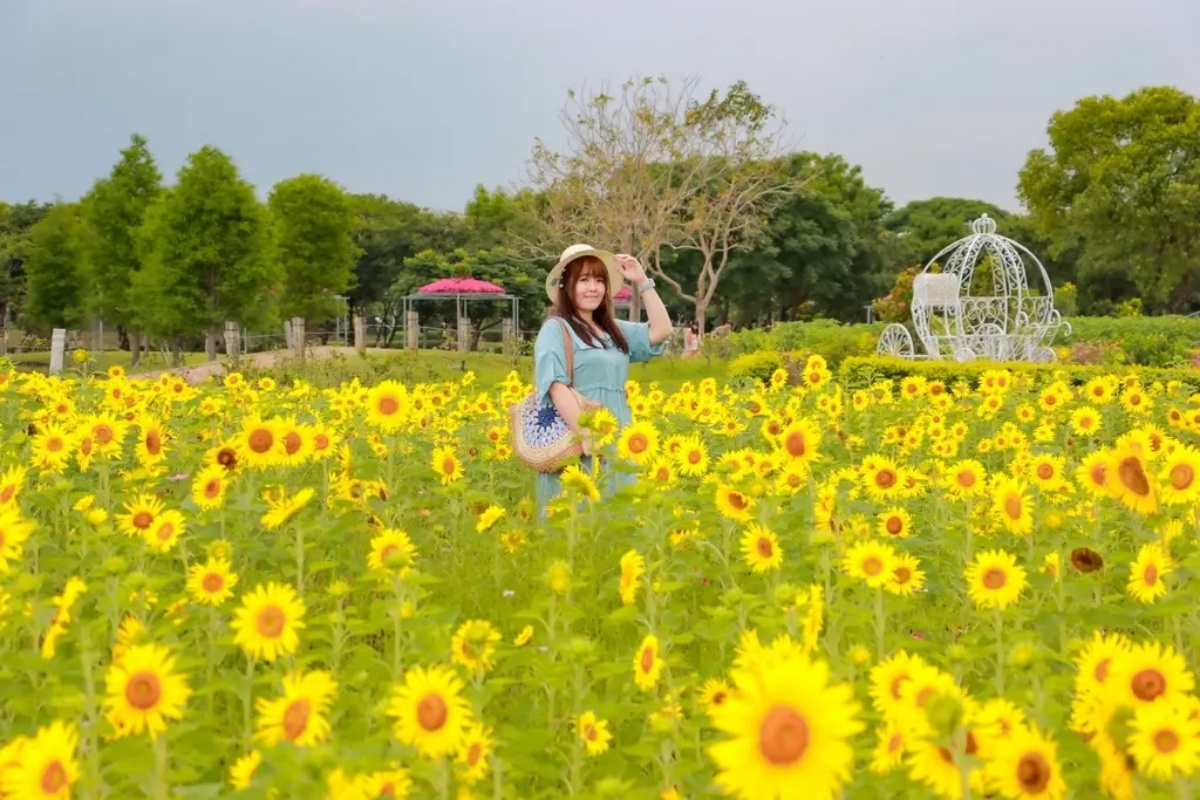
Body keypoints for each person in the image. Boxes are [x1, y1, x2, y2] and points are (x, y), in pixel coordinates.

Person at [533, 244, 672, 516]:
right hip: (580, 438)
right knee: (578, 521)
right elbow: (556, 386)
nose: (593, 288)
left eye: (599, 280)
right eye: (583, 280)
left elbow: (662, 330)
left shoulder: (613, 330)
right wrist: (588, 436)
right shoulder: (556, 329)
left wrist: (642, 282)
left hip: (619, 435)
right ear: (565, 285)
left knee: (619, 521)